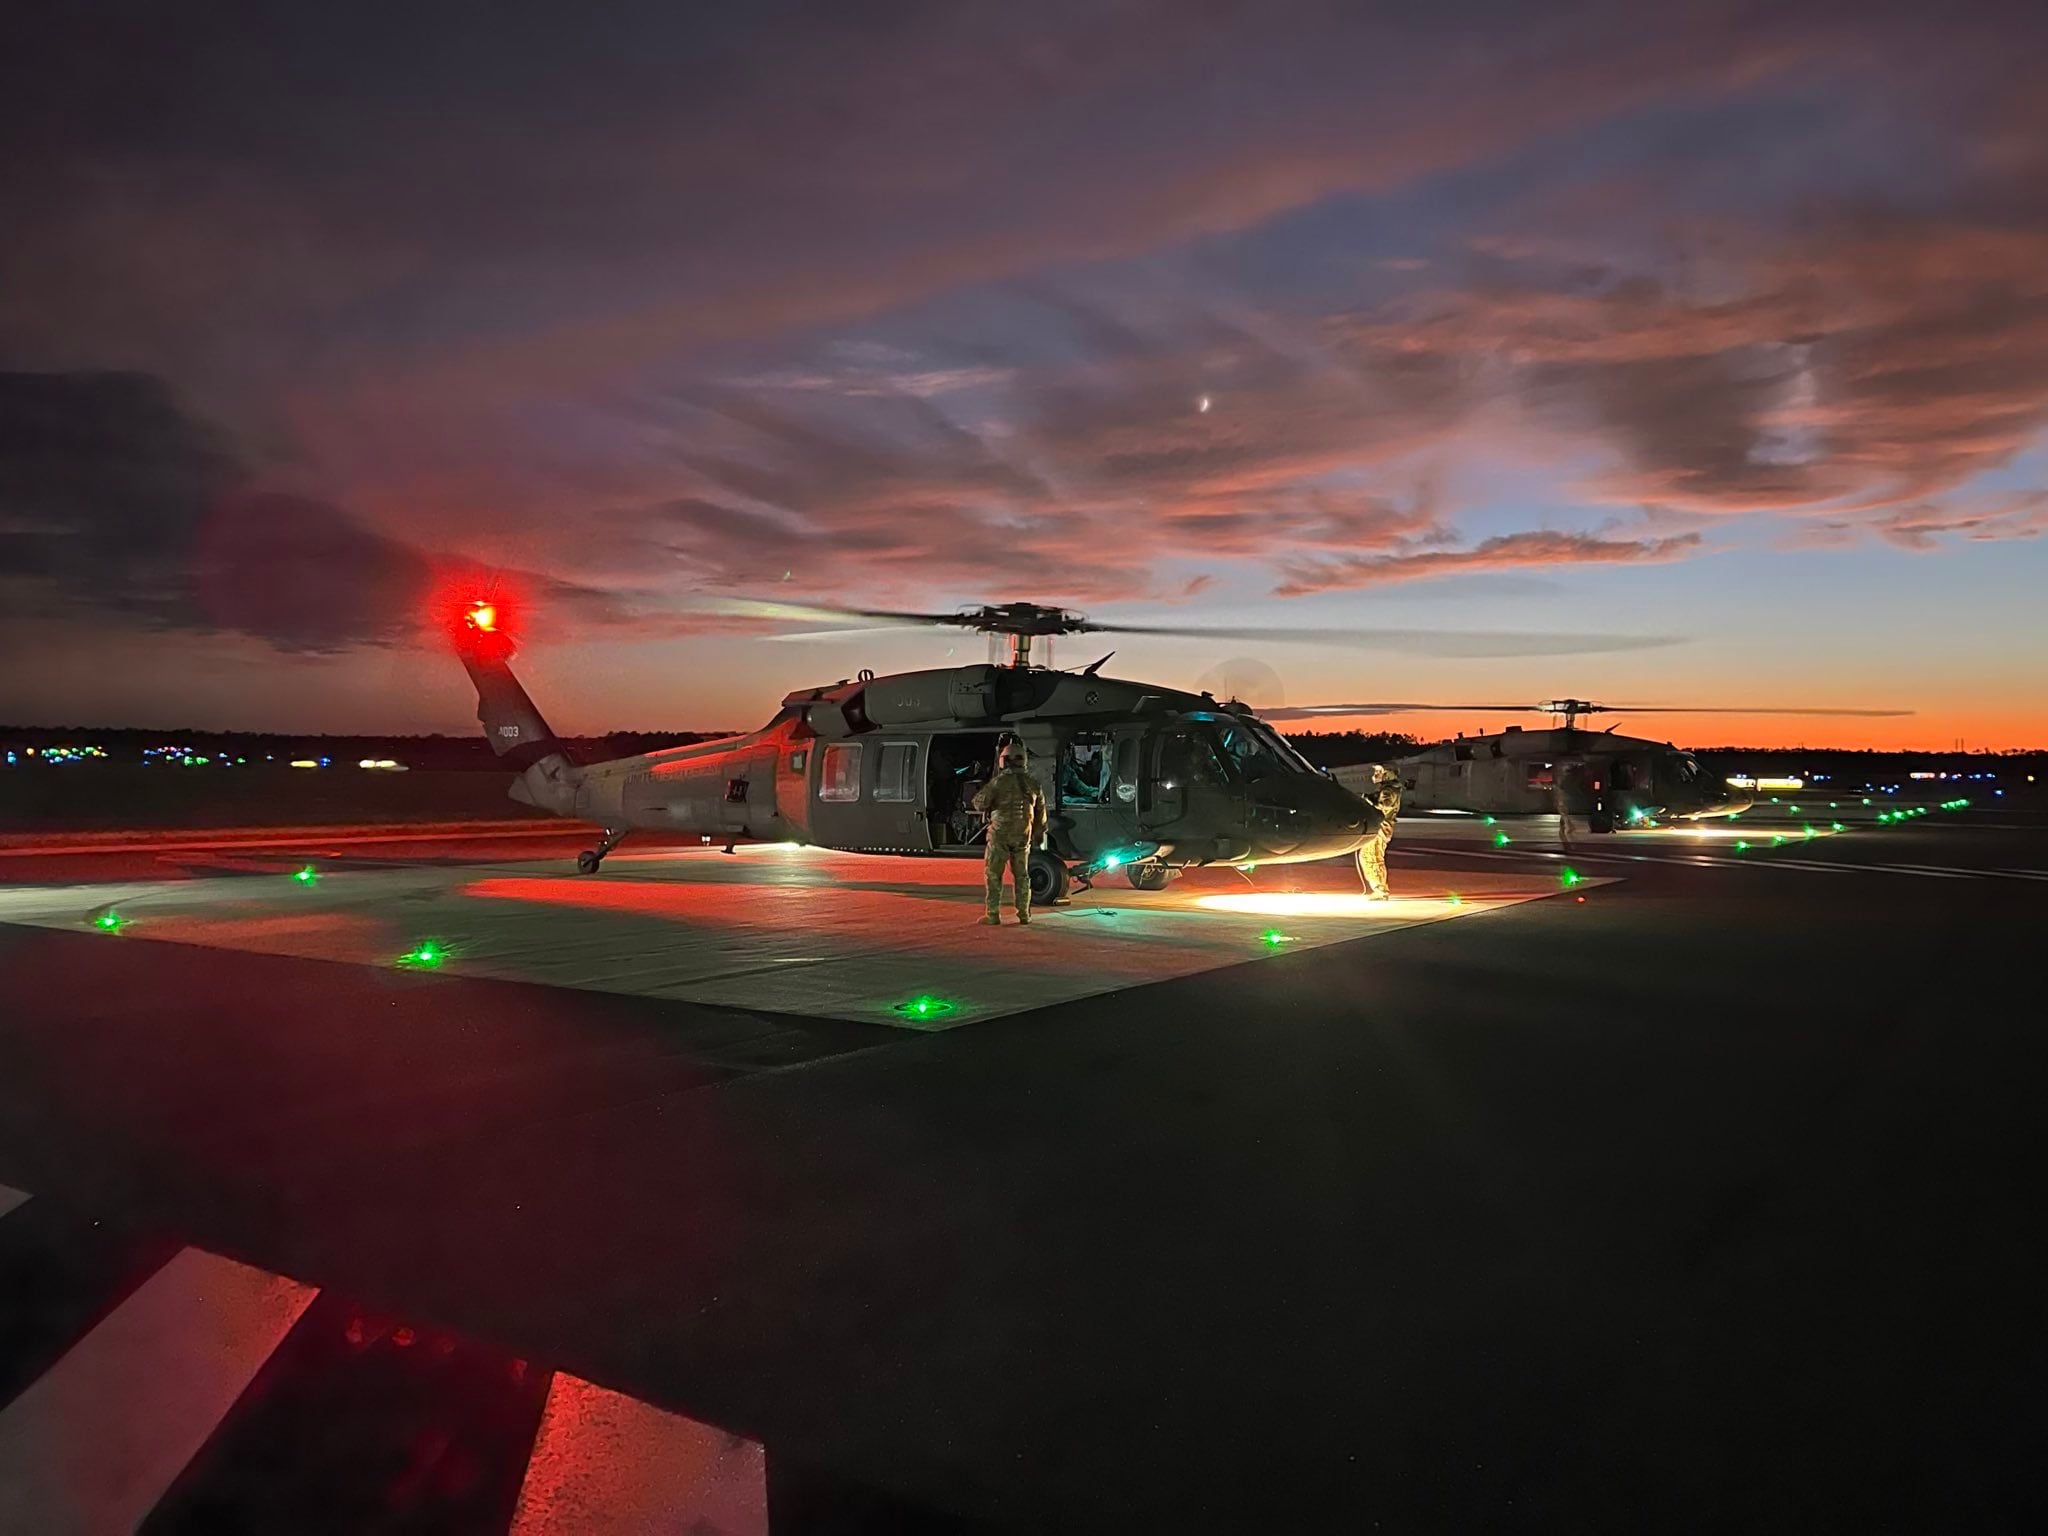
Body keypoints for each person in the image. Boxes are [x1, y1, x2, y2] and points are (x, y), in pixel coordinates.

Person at [973, 743, 1048, 925]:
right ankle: (1024, 914)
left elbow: (979, 803)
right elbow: (1042, 816)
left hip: (1000, 834)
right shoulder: (1033, 784)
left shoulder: (998, 783)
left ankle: (992, 914)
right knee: (1022, 875)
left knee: (993, 874)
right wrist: (1039, 835)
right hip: (1023, 834)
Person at [1357, 762, 1402, 899]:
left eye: (1379, 772)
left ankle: (1380, 890)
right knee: (1367, 856)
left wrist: (1367, 799)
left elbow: (1384, 805)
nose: (1375, 775)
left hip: (1380, 829)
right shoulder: (1388, 789)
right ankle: (1378, 888)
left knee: (1372, 857)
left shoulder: (1388, 791)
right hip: (1379, 827)